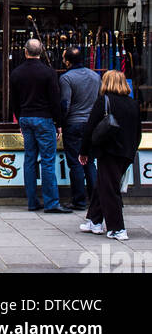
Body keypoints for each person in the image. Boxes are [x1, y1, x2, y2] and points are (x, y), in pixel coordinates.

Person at [78, 69, 141, 241]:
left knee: (109, 189)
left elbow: (90, 128)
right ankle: (94, 220)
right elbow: (138, 131)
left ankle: (117, 228)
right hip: (126, 153)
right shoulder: (133, 103)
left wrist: (84, 151)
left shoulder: (103, 101)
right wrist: (132, 150)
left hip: (108, 151)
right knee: (104, 184)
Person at [9, 37, 71, 213]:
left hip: (26, 118)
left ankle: (32, 201)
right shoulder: (48, 72)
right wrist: (58, 123)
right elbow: (54, 100)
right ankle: (51, 202)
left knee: (29, 159)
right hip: (44, 118)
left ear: (25, 51)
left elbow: (14, 100)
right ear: (41, 51)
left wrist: (20, 118)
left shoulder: (16, 73)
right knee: (47, 161)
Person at [60, 46, 100, 211]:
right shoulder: (95, 76)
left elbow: (65, 104)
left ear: (68, 61)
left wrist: (60, 123)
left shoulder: (66, 78)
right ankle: (95, 198)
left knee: (76, 163)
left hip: (74, 123)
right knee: (90, 162)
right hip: (91, 123)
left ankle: (79, 200)